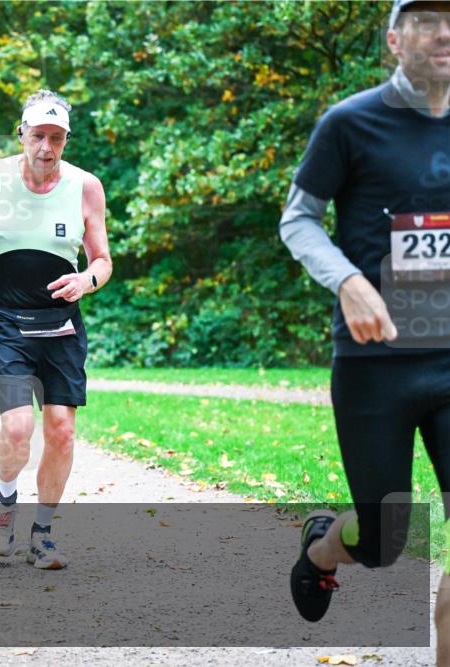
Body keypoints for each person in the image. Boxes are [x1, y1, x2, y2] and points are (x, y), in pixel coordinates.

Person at [279, 2, 449, 661]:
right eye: (429, 19)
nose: (445, 32)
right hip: (375, 364)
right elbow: (299, 220)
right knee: (384, 539)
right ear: (394, 39)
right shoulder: (350, 122)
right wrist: (349, 281)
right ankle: (324, 543)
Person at [0, 89, 111, 569]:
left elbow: (102, 260)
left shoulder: (86, 187)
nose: (46, 147)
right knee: (17, 429)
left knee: (61, 431)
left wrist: (86, 280)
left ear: (66, 140)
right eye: (38, 136)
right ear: (21, 134)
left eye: (57, 137)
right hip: (5, 322)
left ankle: (43, 533)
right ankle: (5, 502)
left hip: (60, 325)